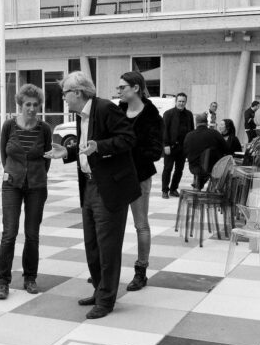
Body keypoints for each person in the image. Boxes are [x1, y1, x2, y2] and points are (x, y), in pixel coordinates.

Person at [45, 71, 140, 319]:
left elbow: (128, 138)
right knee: (92, 246)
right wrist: (68, 153)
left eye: (65, 93)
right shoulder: (82, 115)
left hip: (109, 187)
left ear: (77, 92)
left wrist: (101, 147)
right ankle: (100, 291)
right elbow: (88, 145)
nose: (63, 98)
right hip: (88, 186)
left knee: (108, 248)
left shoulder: (106, 108)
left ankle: (107, 300)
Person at [0, 84, 52, 300]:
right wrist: (13, 172)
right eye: (27, 104)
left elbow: (47, 158)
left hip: (37, 186)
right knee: (9, 233)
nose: (31, 108)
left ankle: (30, 277)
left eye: (35, 104)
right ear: (20, 104)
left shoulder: (44, 128)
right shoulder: (9, 126)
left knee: (32, 234)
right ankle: (2, 281)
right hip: (11, 185)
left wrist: (35, 175)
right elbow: (4, 155)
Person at [117, 72, 163, 292]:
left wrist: (130, 150)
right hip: (116, 176)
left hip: (139, 176)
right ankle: (109, 269)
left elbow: (155, 151)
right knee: (112, 224)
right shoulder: (118, 111)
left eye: (122, 87)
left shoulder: (152, 115)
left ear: (135, 88)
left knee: (140, 224)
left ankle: (140, 271)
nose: (119, 91)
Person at [161, 93, 194, 199]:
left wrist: (189, 147)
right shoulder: (168, 114)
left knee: (179, 170)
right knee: (168, 168)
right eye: (179, 101)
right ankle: (165, 190)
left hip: (183, 148)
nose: (181, 103)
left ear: (186, 102)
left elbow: (191, 131)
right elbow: (164, 130)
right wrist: (166, 145)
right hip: (170, 147)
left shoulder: (189, 114)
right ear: (176, 101)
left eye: (183, 101)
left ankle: (173, 189)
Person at [184, 113, 228, 190]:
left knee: (200, 170)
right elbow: (226, 148)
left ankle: (197, 185)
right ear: (207, 122)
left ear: (196, 123)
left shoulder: (189, 135)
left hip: (194, 167)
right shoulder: (214, 133)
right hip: (212, 167)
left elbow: (185, 152)